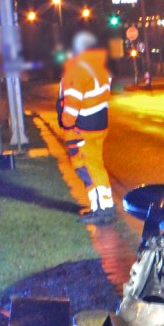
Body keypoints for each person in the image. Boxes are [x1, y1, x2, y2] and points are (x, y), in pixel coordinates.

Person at [58, 31, 115, 223]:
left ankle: (104, 209)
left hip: (82, 128)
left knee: (88, 167)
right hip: (98, 125)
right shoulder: (99, 67)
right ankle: (99, 207)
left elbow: (72, 102)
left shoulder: (77, 70)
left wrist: (66, 122)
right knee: (91, 166)